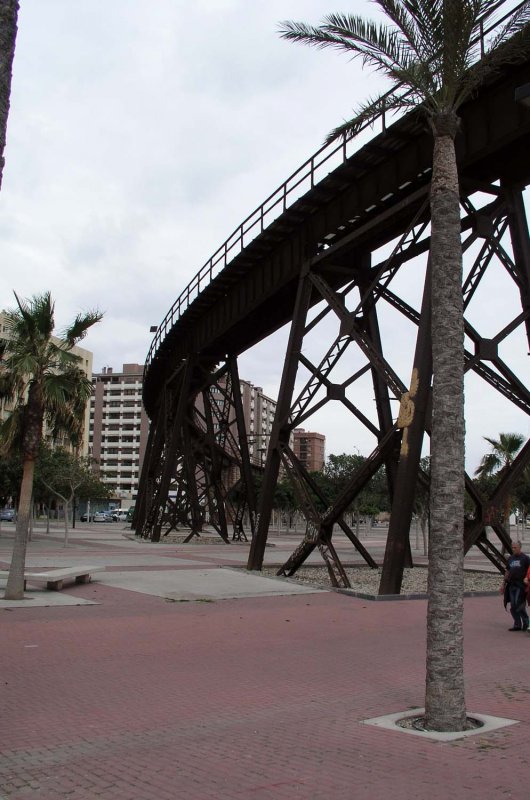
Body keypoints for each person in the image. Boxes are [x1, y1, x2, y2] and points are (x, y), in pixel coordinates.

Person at [501, 541, 530, 631]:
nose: (513, 549)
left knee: (518, 603)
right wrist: (503, 583)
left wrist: (527, 578)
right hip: (511, 585)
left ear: (520, 547)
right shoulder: (510, 558)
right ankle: (517, 624)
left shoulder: (525, 558)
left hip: (520, 585)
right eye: (512, 547)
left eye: (515, 548)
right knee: (513, 605)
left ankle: (526, 622)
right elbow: (507, 571)